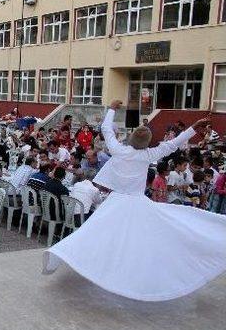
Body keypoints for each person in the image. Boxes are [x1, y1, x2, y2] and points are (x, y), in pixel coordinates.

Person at [44, 100, 226, 302]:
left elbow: (106, 129)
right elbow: (173, 144)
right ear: (147, 143)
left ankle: (96, 265)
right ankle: (125, 273)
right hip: (137, 204)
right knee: (136, 241)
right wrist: (193, 128)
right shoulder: (149, 154)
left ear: (130, 139)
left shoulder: (119, 150)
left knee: (96, 234)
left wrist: (112, 108)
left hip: (116, 203)